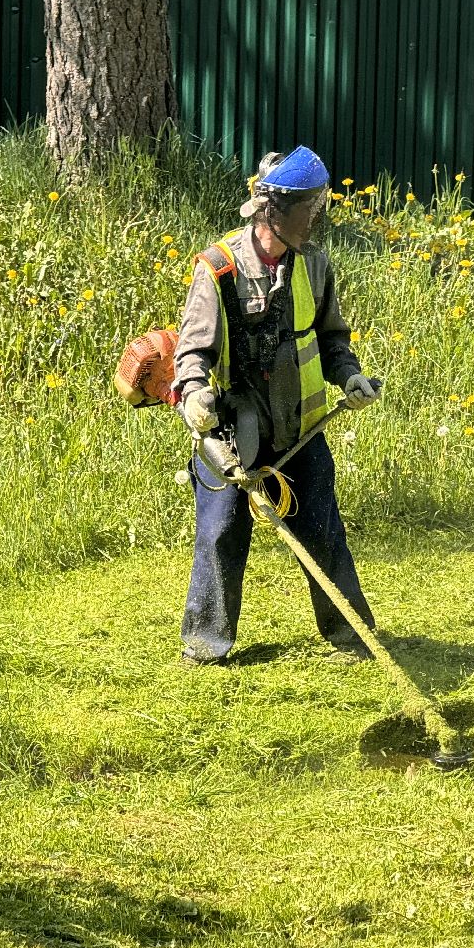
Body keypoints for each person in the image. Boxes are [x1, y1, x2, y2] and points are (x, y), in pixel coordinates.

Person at [172, 146, 382, 665]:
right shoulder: (218, 269)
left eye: (319, 207)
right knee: (221, 533)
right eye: (309, 208)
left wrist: (350, 377)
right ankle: (206, 644)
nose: (316, 218)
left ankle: (352, 636)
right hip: (229, 434)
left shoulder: (314, 265)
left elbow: (332, 340)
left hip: (300, 428)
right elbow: (192, 352)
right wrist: (195, 393)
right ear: (272, 209)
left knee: (321, 529)